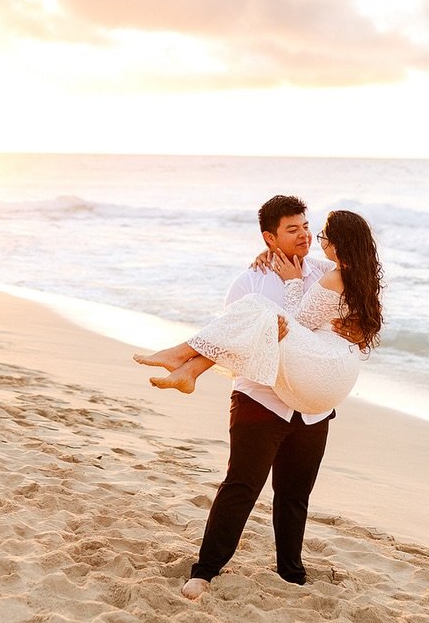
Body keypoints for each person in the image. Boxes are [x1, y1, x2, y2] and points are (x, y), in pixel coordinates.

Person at [134, 196, 383, 600]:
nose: (305, 235)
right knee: (241, 487)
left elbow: (356, 300)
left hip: (310, 403)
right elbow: (234, 341)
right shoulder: (249, 280)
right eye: (293, 229)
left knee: (294, 495)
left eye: (307, 227)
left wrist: (359, 329)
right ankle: (205, 571)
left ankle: (291, 574)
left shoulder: (324, 269)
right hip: (261, 398)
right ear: (270, 237)